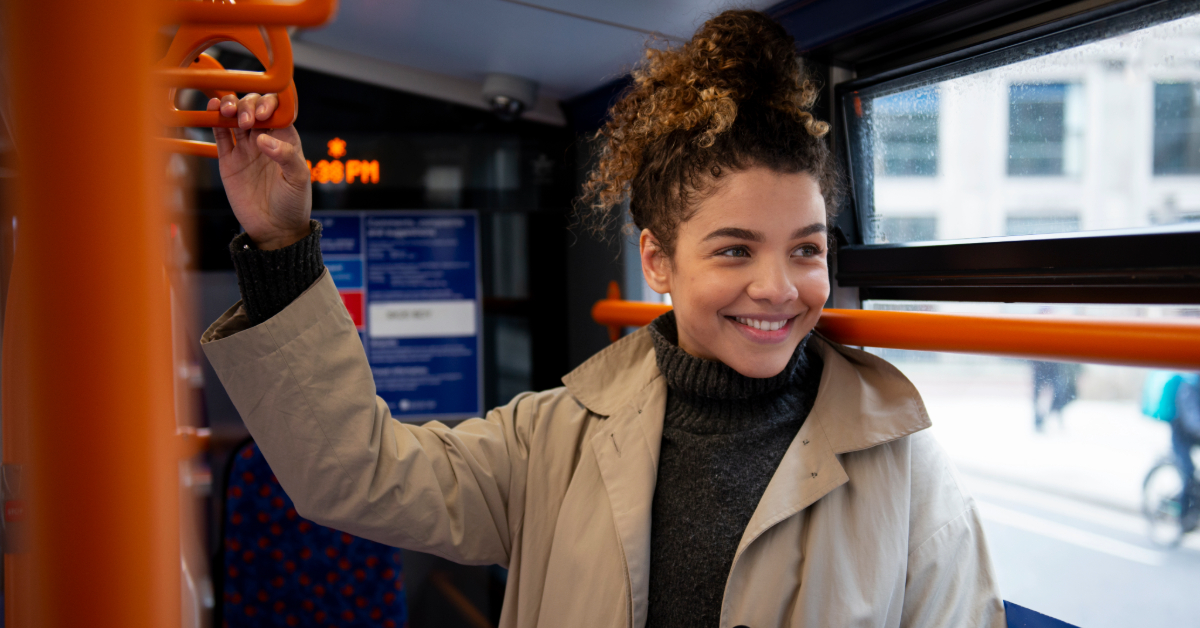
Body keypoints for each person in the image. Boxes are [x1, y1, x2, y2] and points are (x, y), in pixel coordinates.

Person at [200, 11, 1005, 627]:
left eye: (806, 249)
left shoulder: (905, 473)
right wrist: (279, 244)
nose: (779, 288)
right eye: (733, 251)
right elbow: (356, 473)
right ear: (656, 260)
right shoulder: (551, 442)